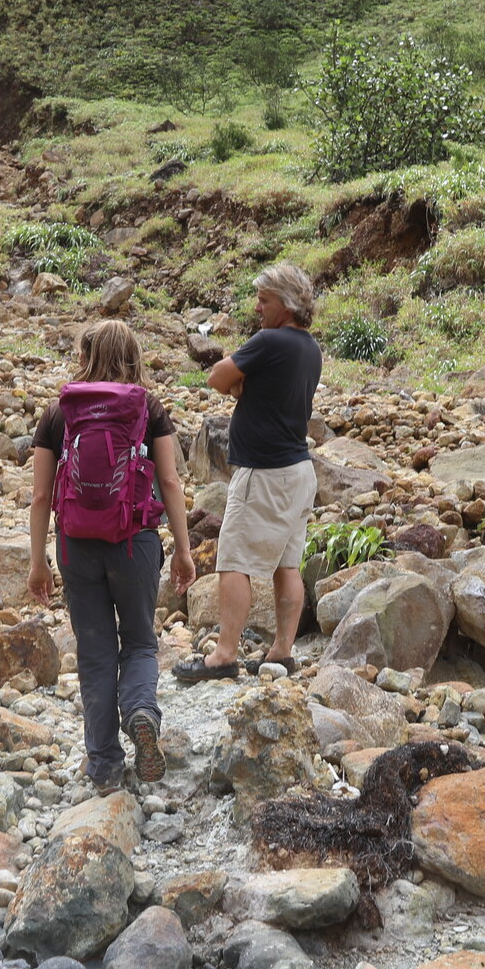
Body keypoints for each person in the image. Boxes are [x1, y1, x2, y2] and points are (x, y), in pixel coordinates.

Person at [27, 320, 196, 791]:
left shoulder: (60, 412)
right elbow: (171, 482)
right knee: (140, 641)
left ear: (86, 355)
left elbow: (41, 496)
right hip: (135, 542)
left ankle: (103, 767)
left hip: (75, 545)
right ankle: (141, 711)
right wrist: (183, 550)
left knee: (96, 653)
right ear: (134, 356)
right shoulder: (148, 408)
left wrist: (38, 561)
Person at [175, 260, 321, 682]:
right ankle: (282, 652)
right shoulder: (310, 348)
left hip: (265, 472)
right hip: (299, 470)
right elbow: (258, 388)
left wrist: (238, 382)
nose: (258, 308)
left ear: (287, 303)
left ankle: (223, 655)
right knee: (287, 563)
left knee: (233, 559)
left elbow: (218, 378)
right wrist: (243, 384)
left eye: (264, 300)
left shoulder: (270, 340)